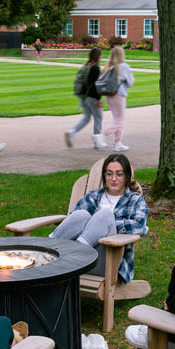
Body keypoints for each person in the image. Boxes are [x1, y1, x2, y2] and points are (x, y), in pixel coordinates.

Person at [49, 153, 148, 282]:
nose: (114, 179)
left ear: (126, 176)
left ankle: (76, 252)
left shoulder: (135, 200)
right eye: (109, 173)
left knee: (105, 214)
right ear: (104, 176)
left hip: (106, 263)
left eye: (119, 174)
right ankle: (48, 249)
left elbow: (139, 226)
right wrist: (93, 224)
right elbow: (72, 221)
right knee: (81, 214)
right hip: (72, 261)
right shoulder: (93, 196)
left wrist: (106, 223)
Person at [65, 47, 106, 150]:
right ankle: (98, 142)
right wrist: (98, 99)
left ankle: (71, 132)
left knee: (86, 118)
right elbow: (95, 85)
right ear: (98, 56)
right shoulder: (95, 68)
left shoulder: (85, 65)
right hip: (92, 97)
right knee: (98, 117)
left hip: (82, 96)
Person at [99, 46, 136, 152]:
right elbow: (130, 82)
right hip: (118, 94)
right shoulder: (124, 66)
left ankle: (118, 143)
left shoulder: (108, 66)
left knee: (116, 118)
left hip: (108, 95)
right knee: (120, 119)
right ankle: (102, 134)